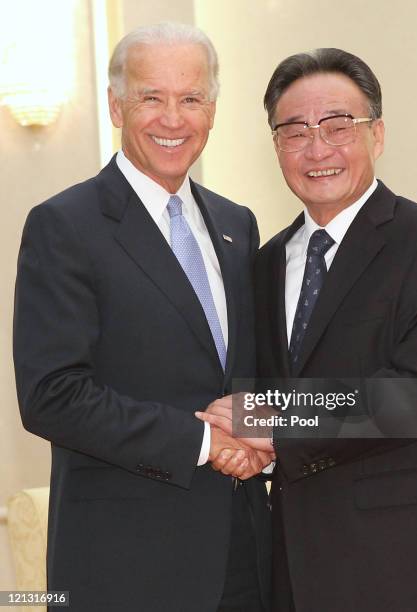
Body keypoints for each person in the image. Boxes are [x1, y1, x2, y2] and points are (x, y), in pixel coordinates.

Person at [198, 48, 417, 611]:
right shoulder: (264, 261)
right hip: (292, 566)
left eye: (337, 126)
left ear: (376, 135)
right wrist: (232, 438)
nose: (317, 148)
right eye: (295, 131)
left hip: (405, 564)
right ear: (276, 145)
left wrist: (272, 423)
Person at [13, 22, 271, 612]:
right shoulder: (65, 226)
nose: (172, 119)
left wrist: (267, 430)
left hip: (245, 561)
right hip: (124, 568)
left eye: (191, 99)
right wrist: (206, 441)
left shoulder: (238, 225)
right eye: (151, 97)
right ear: (115, 106)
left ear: (213, 111)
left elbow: (242, 377)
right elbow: (52, 395)